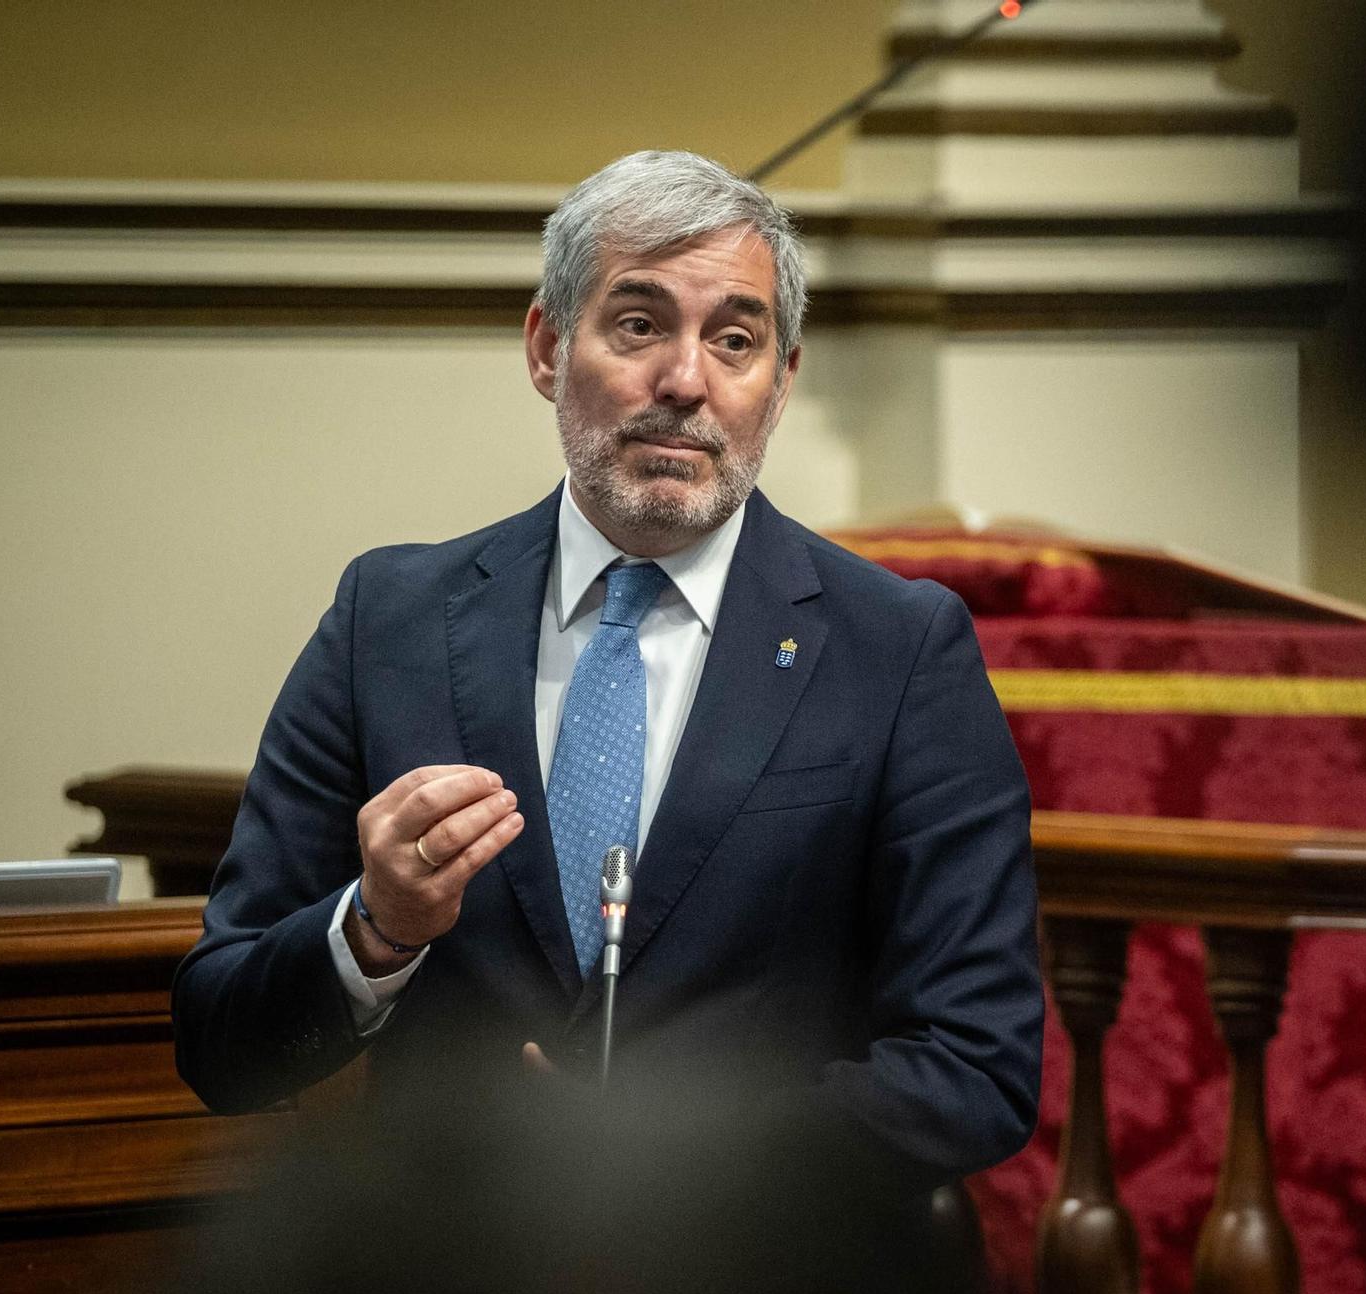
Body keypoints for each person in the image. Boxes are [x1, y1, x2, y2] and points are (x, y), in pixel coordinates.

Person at [171, 150, 1043, 1207]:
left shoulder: (896, 648)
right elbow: (219, 1038)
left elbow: (977, 1066)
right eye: (637, 325)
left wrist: (670, 1156)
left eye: (735, 340)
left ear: (781, 383)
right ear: (547, 347)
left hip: (761, 1274)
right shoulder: (388, 622)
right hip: (445, 1270)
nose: (685, 381)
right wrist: (375, 927)